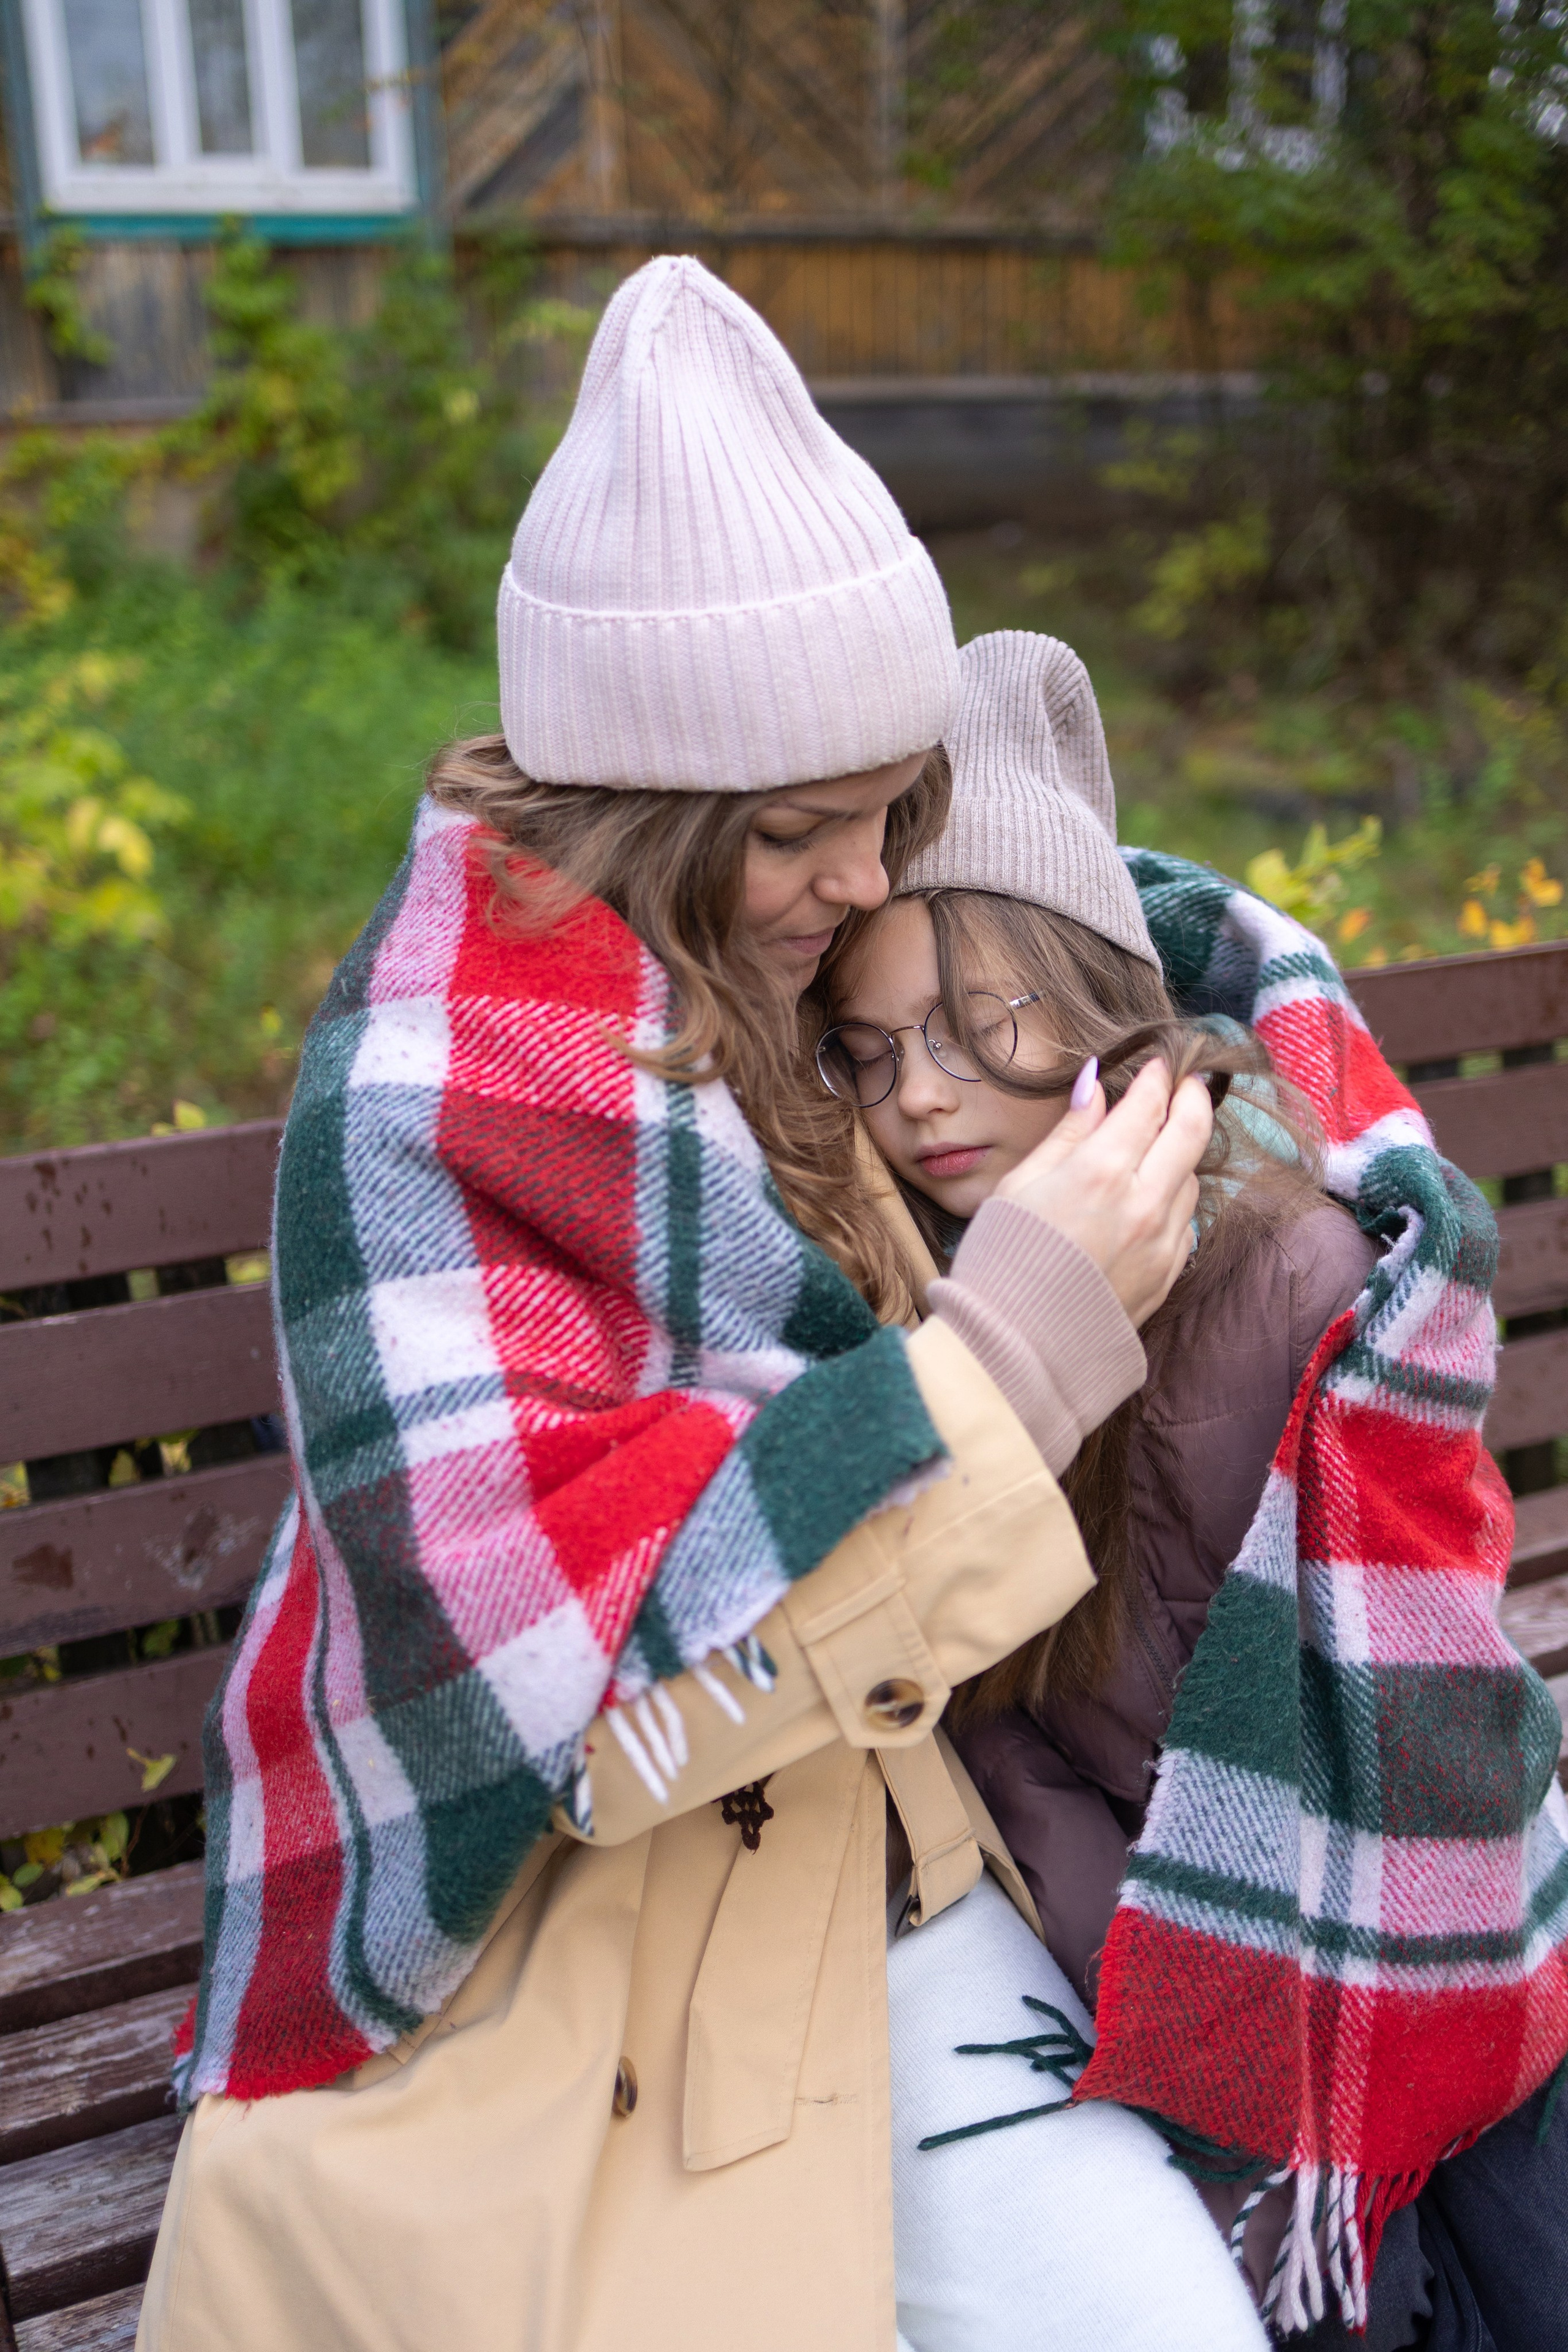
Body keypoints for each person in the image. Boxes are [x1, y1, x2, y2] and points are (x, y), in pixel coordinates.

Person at [135, 262, 1244, 2352]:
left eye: (885, 809)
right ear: (637, 824)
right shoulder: (444, 1102)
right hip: (602, 1925)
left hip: (891, 1857)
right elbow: (564, 1699)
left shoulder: (753, 978)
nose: (859, 886)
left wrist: (1239, 1032)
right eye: (798, 836)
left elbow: (1062, 912)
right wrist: (1001, 1348)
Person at [820, 628, 1568, 2345]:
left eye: (981, 1021)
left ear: (1094, 1001)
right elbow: (993, 1737)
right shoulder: (924, 1316)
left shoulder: (1285, 1273)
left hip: (1388, 1890)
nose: (921, 1091)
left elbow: (1407, 1693)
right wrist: (1169, 2020)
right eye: (869, 1050)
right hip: (1159, 1959)